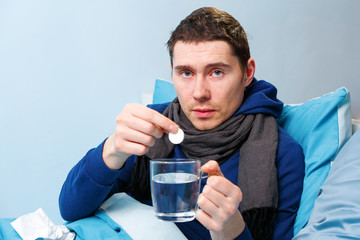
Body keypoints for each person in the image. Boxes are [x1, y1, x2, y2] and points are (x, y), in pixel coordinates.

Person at [59, 7, 304, 240]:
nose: (199, 93)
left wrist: (231, 231)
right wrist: (112, 149)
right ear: (173, 72)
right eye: (186, 73)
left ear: (247, 73)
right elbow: (70, 208)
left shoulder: (280, 152)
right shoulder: (151, 126)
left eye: (216, 72)